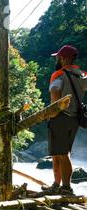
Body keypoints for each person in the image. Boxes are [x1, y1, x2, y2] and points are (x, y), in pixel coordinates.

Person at [43, 45, 87, 195]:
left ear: (65, 58)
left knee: (61, 153)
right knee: (60, 152)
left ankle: (66, 187)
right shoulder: (82, 75)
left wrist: (53, 114)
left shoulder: (58, 74)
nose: (58, 59)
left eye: (59, 57)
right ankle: (57, 184)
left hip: (60, 116)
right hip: (75, 118)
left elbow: (55, 92)